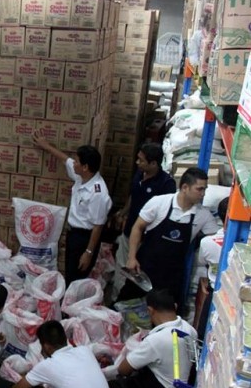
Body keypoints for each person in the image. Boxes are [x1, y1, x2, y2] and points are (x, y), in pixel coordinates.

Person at [104, 290, 196, 388]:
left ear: (150, 310)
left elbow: (123, 370)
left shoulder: (156, 340)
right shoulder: (189, 329)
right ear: (174, 306)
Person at [125, 167, 219, 310]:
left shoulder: (203, 215)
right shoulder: (159, 203)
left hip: (171, 275)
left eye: (204, 189)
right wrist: (131, 257)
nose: (203, 194)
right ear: (185, 187)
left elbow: (216, 239)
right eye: (199, 189)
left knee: (164, 312)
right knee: (128, 306)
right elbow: (138, 227)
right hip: (145, 269)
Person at [32, 132, 112, 285]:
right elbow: (64, 159)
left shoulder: (98, 194)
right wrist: (46, 146)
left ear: (85, 167)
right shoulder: (81, 176)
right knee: (70, 273)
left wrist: (88, 253)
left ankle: (71, 306)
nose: (73, 163)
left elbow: (98, 226)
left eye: (77, 161)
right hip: (74, 235)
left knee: (77, 279)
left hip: (85, 239)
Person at [112, 144, 176, 299]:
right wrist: (123, 212)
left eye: (141, 160)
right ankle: (115, 303)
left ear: (154, 163)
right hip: (129, 233)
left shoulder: (166, 184)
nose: (137, 163)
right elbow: (134, 195)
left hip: (147, 241)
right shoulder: (140, 174)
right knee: (120, 271)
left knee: (138, 277)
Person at [193, 196, 228, 331]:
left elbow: (203, 261)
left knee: (206, 331)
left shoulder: (207, 242)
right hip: (230, 296)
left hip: (213, 293)